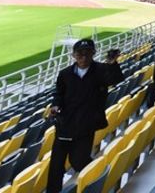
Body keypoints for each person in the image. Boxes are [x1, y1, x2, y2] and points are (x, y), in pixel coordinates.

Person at [46, 39, 123, 193]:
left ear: (93, 54)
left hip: (86, 124)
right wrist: (55, 106)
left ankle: (98, 177)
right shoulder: (65, 74)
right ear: (74, 55)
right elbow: (58, 94)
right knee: (56, 166)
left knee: (79, 161)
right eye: (80, 54)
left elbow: (116, 79)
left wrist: (113, 63)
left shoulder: (102, 70)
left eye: (87, 53)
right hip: (65, 125)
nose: (83, 57)